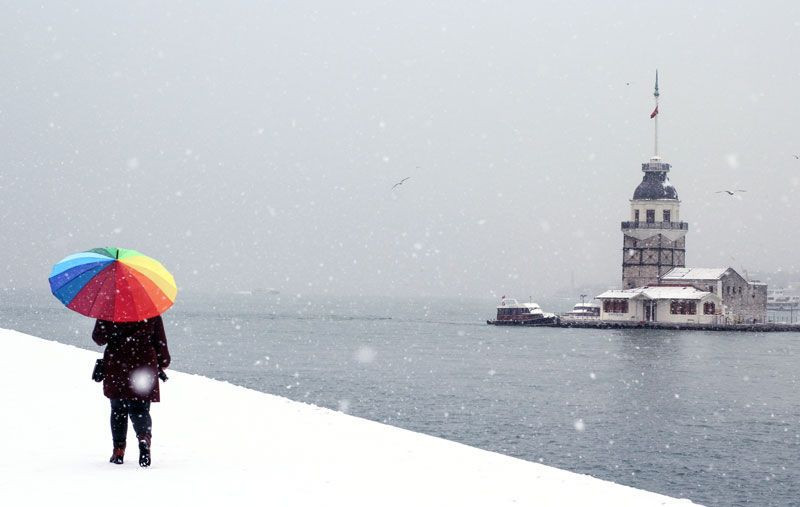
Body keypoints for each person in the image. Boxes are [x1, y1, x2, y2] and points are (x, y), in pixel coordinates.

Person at [92, 315, 171, 467]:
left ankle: (119, 450)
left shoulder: (109, 310)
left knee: (118, 410)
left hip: (117, 363)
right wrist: (163, 361)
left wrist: (106, 324)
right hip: (143, 363)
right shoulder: (150, 310)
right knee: (140, 409)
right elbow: (160, 341)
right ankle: (143, 439)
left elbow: (98, 338)